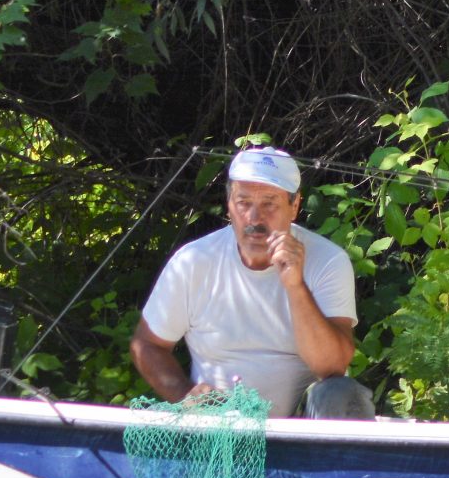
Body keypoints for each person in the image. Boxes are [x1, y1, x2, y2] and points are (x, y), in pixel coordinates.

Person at [131, 145, 377, 419]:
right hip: (217, 426)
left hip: (301, 428)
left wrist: (295, 286)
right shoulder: (194, 261)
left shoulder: (327, 260)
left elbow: (332, 367)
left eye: (269, 203)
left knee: (341, 393)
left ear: (294, 206)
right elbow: (147, 345)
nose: (254, 218)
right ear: (228, 205)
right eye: (244, 202)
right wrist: (185, 394)